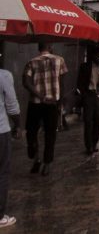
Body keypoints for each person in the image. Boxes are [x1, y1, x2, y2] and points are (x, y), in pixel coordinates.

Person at [22, 43, 67, 176]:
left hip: (35, 102)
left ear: (39, 49)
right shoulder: (60, 60)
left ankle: (36, 157)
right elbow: (62, 83)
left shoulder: (31, 62)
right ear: (50, 47)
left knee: (31, 131)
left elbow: (26, 82)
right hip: (53, 103)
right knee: (50, 134)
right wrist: (60, 102)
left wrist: (40, 96)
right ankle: (47, 164)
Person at [0, 64, 21, 228]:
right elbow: (12, 105)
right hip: (1, 131)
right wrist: (18, 125)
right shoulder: (4, 76)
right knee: (2, 172)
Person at [76, 45, 99, 155]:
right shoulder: (85, 67)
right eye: (97, 55)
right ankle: (89, 146)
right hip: (88, 94)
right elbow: (80, 82)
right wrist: (83, 94)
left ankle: (94, 142)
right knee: (88, 121)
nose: (98, 58)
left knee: (98, 120)